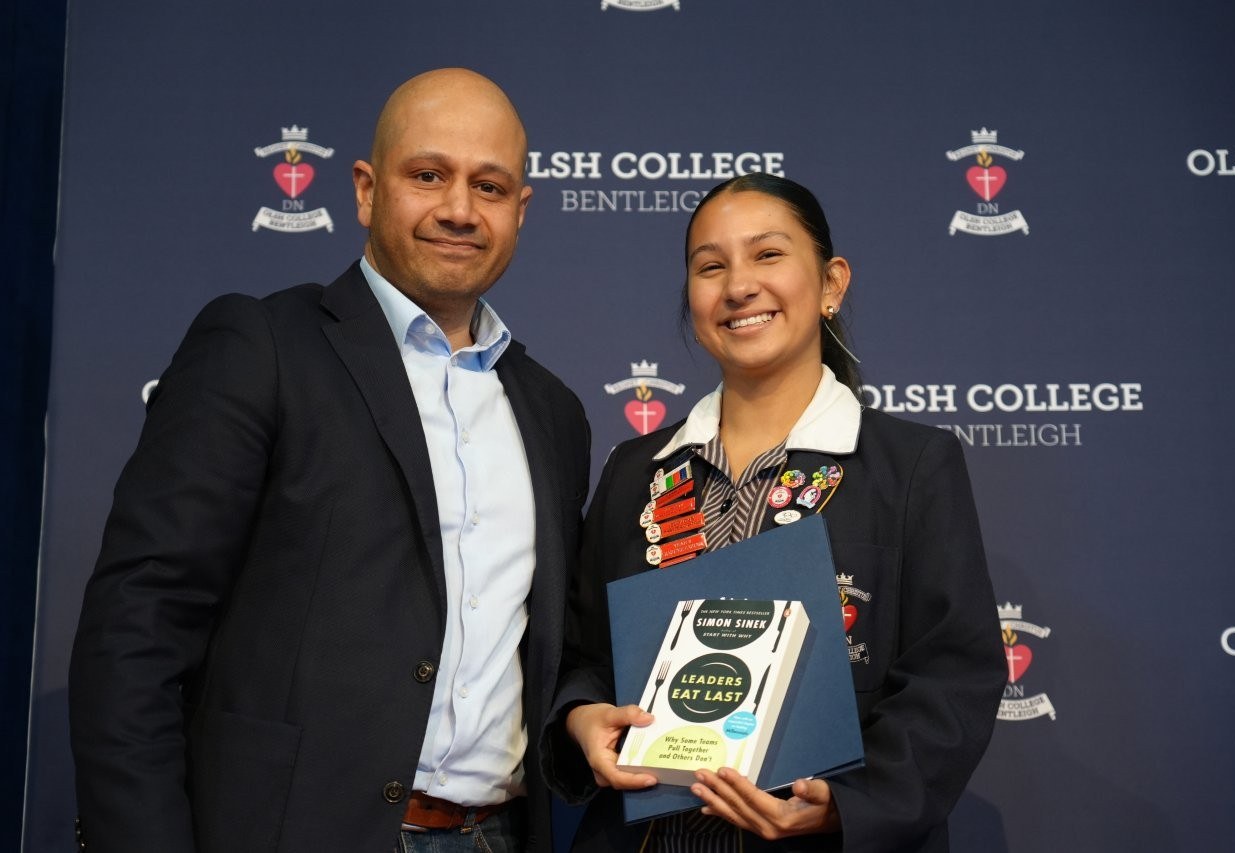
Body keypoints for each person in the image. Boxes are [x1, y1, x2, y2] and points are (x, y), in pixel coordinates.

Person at [68, 68, 589, 853]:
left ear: (520, 210)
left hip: (497, 835)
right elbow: (136, 627)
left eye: (489, 186)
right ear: (366, 191)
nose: (459, 208)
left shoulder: (554, 412)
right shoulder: (262, 347)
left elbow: (554, 653)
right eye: (428, 175)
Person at [543, 173, 1005, 851]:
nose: (738, 286)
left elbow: (953, 674)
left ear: (831, 283)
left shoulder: (911, 467)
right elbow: (584, 654)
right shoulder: (634, 471)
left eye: (767, 255)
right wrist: (582, 715)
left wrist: (849, 803)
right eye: (711, 267)